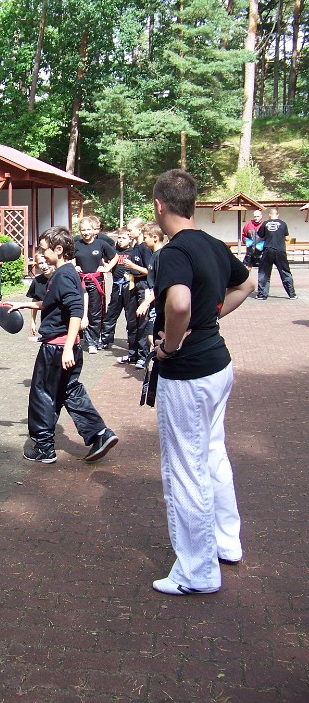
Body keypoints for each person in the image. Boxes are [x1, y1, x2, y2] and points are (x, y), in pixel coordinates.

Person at [151, 169, 254, 595]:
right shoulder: (212, 244)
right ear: (192, 204)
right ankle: (226, 543)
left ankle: (197, 572)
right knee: (211, 455)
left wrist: (170, 346)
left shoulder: (173, 252)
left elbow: (178, 305)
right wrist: (209, 318)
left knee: (185, 469)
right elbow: (247, 283)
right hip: (217, 365)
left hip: (188, 373)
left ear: (160, 206)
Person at [10, 226, 118, 464]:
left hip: (57, 348)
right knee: (70, 390)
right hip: (66, 346)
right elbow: (54, 303)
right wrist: (24, 305)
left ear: (58, 249)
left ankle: (44, 448)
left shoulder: (63, 275)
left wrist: (67, 347)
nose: (40, 253)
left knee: (42, 395)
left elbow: (76, 310)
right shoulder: (65, 273)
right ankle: (100, 433)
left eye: (43, 249)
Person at [74, 216, 115, 354]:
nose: (85, 232)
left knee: (94, 312)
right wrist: (74, 266)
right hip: (80, 282)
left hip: (96, 282)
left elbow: (114, 257)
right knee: (78, 309)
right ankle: (77, 337)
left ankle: (92, 342)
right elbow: (69, 259)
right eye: (83, 230)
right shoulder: (76, 245)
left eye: (88, 230)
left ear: (93, 230)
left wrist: (107, 268)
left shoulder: (101, 244)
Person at [116, 218, 152, 368]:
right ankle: (133, 354)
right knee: (131, 321)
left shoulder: (145, 247)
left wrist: (132, 266)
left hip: (143, 285)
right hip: (132, 284)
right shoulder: (135, 246)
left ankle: (143, 356)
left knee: (143, 322)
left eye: (130, 230)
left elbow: (150, 271)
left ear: (140, 230)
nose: (128, 233)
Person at [100, 228, 133, 350]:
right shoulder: (113, 251)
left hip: (129, 287)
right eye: (119, 237)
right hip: (116, 286)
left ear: (130, 239)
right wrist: (105, 265)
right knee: (111, 314)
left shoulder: (134, 251)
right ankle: (105, 340)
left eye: (124, 238)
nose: (120, 240)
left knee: (130, 316)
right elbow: (102, 258)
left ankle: (132, 341)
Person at [135, 222, 165, 354]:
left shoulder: (161, 256)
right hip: (153, 303)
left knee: (153, 336)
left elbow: (160, 285)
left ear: (155, 238)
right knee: (150, 335)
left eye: (145, 237)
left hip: (158, 304)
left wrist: (145, 303)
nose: (144, 240)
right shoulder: (153, 254)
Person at [256, 207, 297, 300]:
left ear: (269, 215)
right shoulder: (283, 223)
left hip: (268, 249)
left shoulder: (265, 223)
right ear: (277, 215)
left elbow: (260, 235)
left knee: (264, 272)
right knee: (285, 272)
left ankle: (262, 294)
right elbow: (287, 237)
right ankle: (292, 294)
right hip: (280, 250)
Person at [26, 250, 54, 337]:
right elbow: (35, 300)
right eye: (41, 263)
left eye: (47, 262)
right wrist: (32, 321)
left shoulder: (61, 277)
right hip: (46, 322)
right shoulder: (37, 281)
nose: (44, 266)